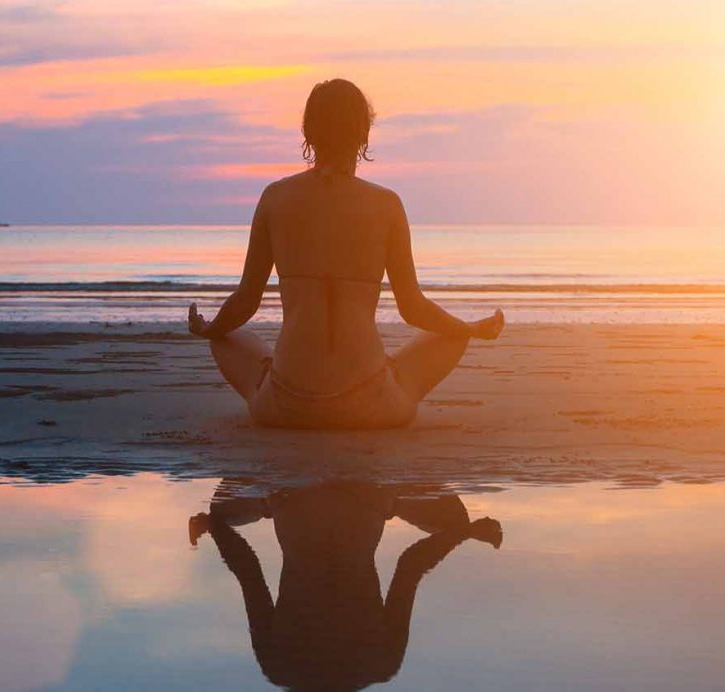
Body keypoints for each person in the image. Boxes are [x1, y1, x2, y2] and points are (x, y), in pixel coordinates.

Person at [188, 78, 504, 428]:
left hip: (287, 405)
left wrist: (209, 328)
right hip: (370, 405)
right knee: (451, 335)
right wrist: (470, 329)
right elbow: (412, 307)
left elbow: (246, 301)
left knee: (227, 337)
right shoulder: (386, 204)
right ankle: (395, 372)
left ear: (308, 131)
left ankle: (271, 375)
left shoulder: (275, 198)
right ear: (363, 133)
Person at [189, 479, 503, 690]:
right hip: (310, 494)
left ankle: (383, 499)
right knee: (219, 514)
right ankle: (277, 501)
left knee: (455, 522)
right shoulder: (279, 667)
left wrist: (463, 533)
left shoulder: (381, 663)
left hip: (343, 496)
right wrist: (216, 527)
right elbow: (249, 574)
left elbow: (410, 567)